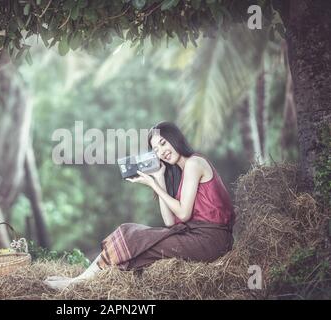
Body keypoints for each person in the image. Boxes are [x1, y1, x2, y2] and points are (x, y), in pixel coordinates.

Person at [44, 121, 235, 290]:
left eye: (163, 143)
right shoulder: (180, 173)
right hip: (195, 236)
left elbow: (183, 215)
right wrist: (159, 178)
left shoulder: (194, 163)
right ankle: (78, 280)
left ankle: (75, 284)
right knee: (130, 234)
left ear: (175, 138)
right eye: (156, 150)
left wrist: (153, 185)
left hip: (211, 240)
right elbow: (170, 221)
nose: (162, 152)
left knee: (135, 240)